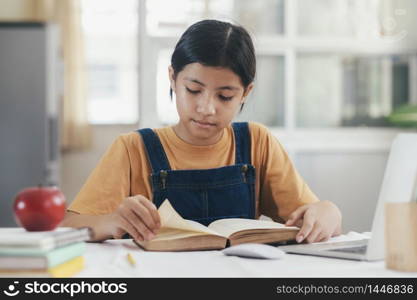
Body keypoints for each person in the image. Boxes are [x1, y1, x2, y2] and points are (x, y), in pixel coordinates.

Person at [61, 19, 342, 244]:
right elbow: (69, 226)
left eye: (225, 96)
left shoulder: (258, 142)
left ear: (246, 93)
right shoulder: (132, 148)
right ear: (172, 78)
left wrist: (328, 212)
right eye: (193, 90)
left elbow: (309, 215)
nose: (206, 108)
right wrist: (111, 220)